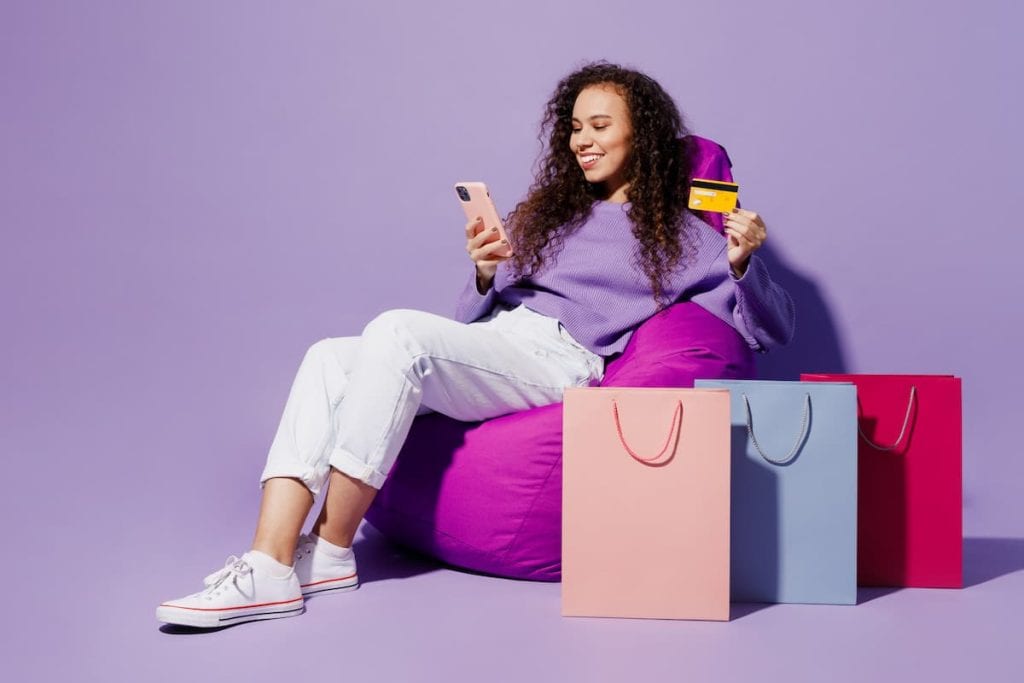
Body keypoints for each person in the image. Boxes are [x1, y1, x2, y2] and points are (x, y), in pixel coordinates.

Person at [157, 61, 795, 628]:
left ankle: (330, 548)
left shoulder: (679, 235)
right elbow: (467, 321)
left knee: (397, 333)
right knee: (329, 354)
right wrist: (487, 273)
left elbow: (768, 331)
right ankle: (274, 558)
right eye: (575, 128)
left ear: (643, 136)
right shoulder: (552, 213)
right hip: (498, 344)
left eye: (600, 126)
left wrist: (743, 262)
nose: (583, 141)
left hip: (561, 360)